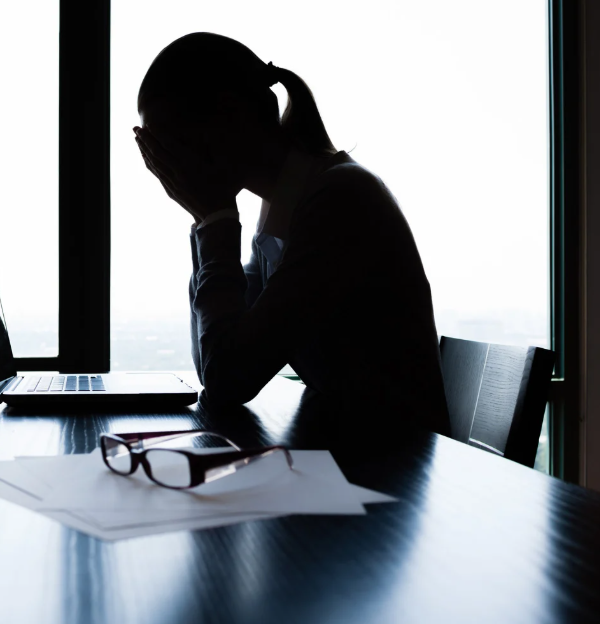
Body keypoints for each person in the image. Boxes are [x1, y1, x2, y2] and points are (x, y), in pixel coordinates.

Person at [134, 32, 450, 437]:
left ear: (229, 115)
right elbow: (217, 364)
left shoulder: (340, 198)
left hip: (396, 458)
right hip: (359, 446)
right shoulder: (287, 203)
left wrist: (214, 221)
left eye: (168, 146)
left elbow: (229, 378)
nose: (167, 167)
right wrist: (207, 222)